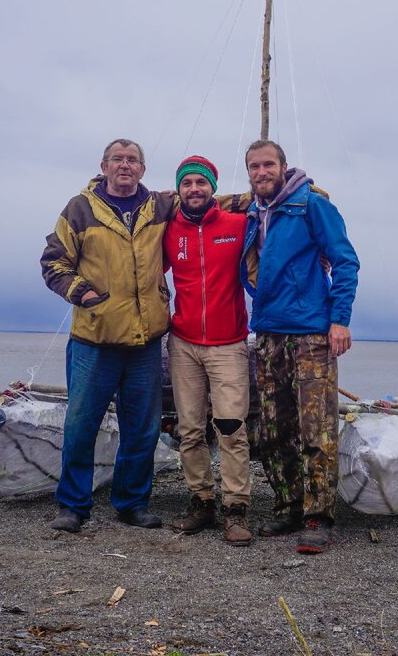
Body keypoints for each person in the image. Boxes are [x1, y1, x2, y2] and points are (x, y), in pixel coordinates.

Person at [39, 138, 175, 533]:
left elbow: (210, 197)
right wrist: (84, 294)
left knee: (143, 428)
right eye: (118, 159)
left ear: (143, 169)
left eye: (133, 160)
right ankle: (73, 506)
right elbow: (53, 262)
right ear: (104, 166)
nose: (125, 165)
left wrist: (297, 186)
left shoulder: (161, 207)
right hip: (93, 341)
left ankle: (131, 502)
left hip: (145, 342)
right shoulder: (80, 209)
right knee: (81, 425)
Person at [241, 139, 359, 554]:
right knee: (274, 429)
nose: (262, 172)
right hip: (269, 332)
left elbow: (345, 261)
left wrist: (339, 319)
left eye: (268, 164)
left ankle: (318, 516)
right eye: (254, 167)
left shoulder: (312, 206)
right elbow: (210, 200)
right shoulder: (254, 212)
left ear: (285, 167)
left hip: (311, 333)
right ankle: (288, 504)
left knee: (317, 429)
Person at [163, 155, 253, 545]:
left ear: (213, 188)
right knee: (190, 429)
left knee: (232, 428)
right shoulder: (167, 230)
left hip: (229, 343)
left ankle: (236, 508)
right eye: (187, 184)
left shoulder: (237, 224)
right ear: (179, 189)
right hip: (183, 344)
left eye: (201, 182)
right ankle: (201, 500)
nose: (194, 189)